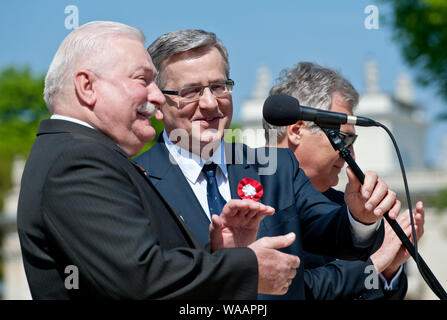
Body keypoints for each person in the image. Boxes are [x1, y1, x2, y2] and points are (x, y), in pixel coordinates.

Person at [16, 21, 301, 299]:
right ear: (87, 86)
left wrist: (218, 256)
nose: (156, 97)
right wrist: (248, 268)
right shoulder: (76, 160)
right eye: (143, 80)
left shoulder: (79, 153)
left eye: (218, 87)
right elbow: (140, 279)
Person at [135, 29, 401, 300]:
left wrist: (360, 217)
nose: (209, 103)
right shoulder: (135, 180)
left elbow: (334, 234)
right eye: (190, 91)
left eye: (218, 87)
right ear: (158, 102)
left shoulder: (276, 167)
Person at [262, 61, 425, 299]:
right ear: (297, 131)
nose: (351, 155)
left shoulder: (351, 211)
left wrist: (390, 269)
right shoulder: (241, 193)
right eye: (343, 139)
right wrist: (375, 263)